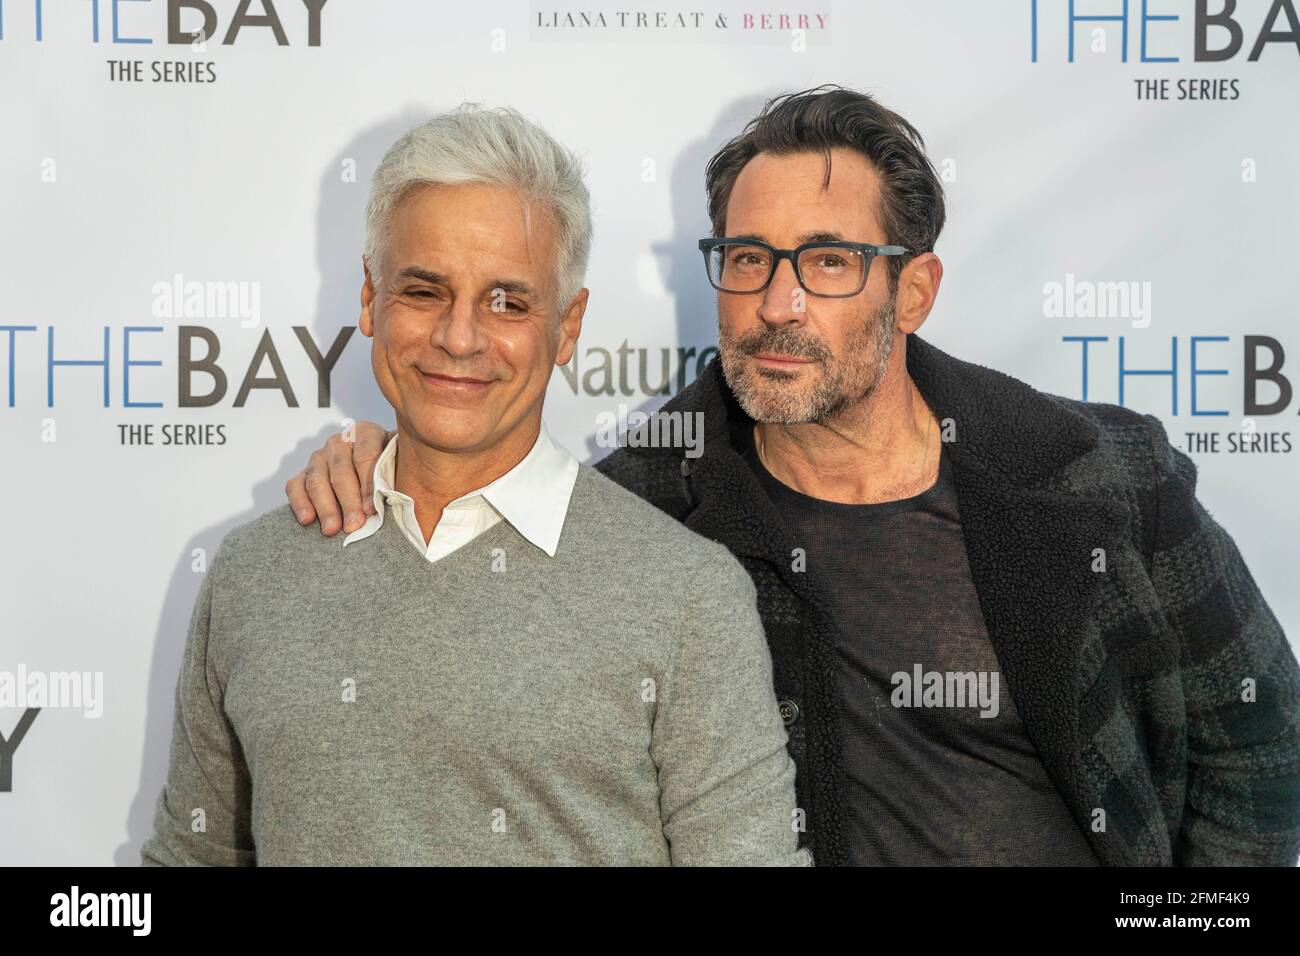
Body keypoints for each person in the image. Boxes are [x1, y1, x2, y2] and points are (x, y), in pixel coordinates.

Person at [289, 87, 1300, 866]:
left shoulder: (1098, 479)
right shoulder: (643, 516)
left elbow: (1262, 744)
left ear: (913, 289)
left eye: (826, 262)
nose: (776, 305)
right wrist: (389, 463)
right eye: (747, 258)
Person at [142, 105, 807, 866]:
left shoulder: (687, 596)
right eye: (424, 292)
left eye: (507, 302)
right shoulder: (253, 574)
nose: (458, 337)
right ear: (369, 299)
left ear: (567, 326)